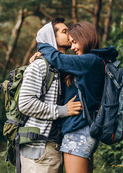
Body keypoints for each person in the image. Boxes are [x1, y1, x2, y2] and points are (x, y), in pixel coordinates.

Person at [37, 21, 119, 173]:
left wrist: (42, 45)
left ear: (85, 38)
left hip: (78, 131)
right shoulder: (94, 60)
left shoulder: (90, 60)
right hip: (83, 131)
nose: (73, 47)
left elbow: (59, 59)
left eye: (75, 42)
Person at [18, 18, 82, 173]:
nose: (70, 34)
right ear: (51, 37)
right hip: (39, 149)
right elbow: (25, 103)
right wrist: (63, 110)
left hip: (54, 148)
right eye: (64, 31)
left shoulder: (62, 68)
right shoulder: (40, 66)